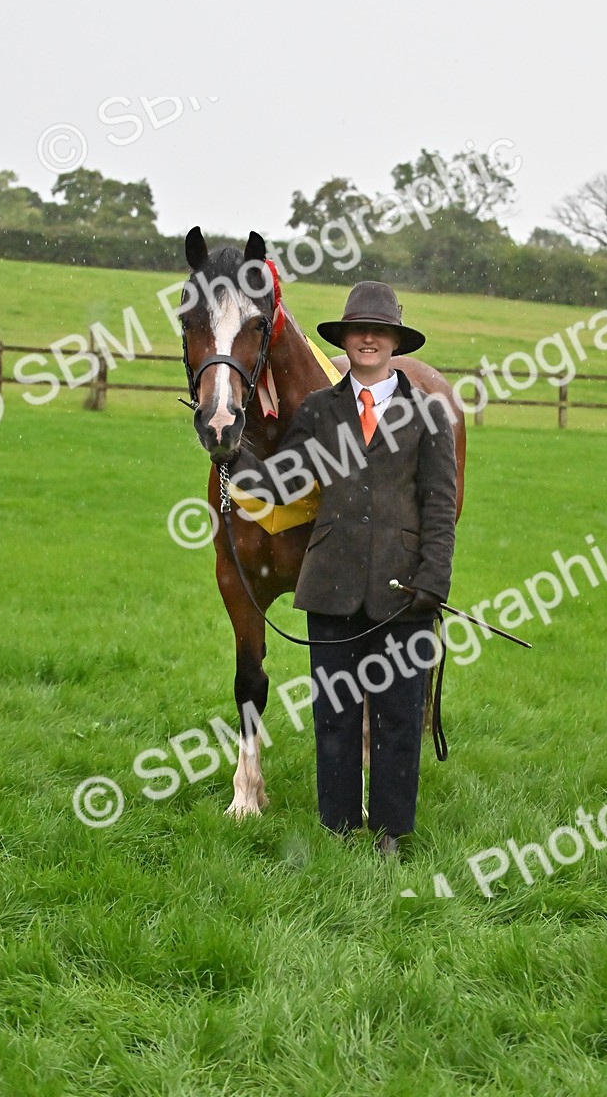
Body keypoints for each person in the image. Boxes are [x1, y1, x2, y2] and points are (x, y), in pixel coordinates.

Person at [229, 281, 457, 855]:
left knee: (399, 717)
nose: (369, 340)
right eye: (360, 331)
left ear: (395, 342)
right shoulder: (320, 410)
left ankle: (390, 832)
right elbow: (287, 482)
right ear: (347, 339)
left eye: (380, 332)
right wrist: (233, 456)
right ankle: (336, 827)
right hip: (329, 583)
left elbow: (439, 507)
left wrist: (434, 580)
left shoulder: (428, 414)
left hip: (404, 589)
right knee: (333, 715)